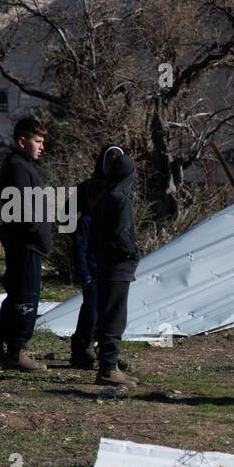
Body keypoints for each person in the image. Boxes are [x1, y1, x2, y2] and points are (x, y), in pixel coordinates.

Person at [0, 116, 52, 371]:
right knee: (26, 298)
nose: (42, 146)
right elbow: (24, 209)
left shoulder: (21, 165)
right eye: (38, 141)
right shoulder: (18, 167)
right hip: (25, 244)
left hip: (24, 243)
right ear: (22, 141)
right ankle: (16, 350)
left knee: (17, 295)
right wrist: (38, 237)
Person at [88, 145, 141, 387]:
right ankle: (109, 368)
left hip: (103, 264)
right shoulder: (121, 201)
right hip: (118, 267)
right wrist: (133, 252)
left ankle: (109, 364)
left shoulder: (103, 198)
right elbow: (121, 236)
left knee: (107, 315)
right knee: (115, 317)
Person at [69, 176, 106, 369]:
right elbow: (80, 251)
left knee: (104, 313)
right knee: (90, 313)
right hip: (92, 277)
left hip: (104, 276)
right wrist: (86, 277)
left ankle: (100, 348)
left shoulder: (106, 222)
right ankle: (83, 347)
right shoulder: (85, 222)